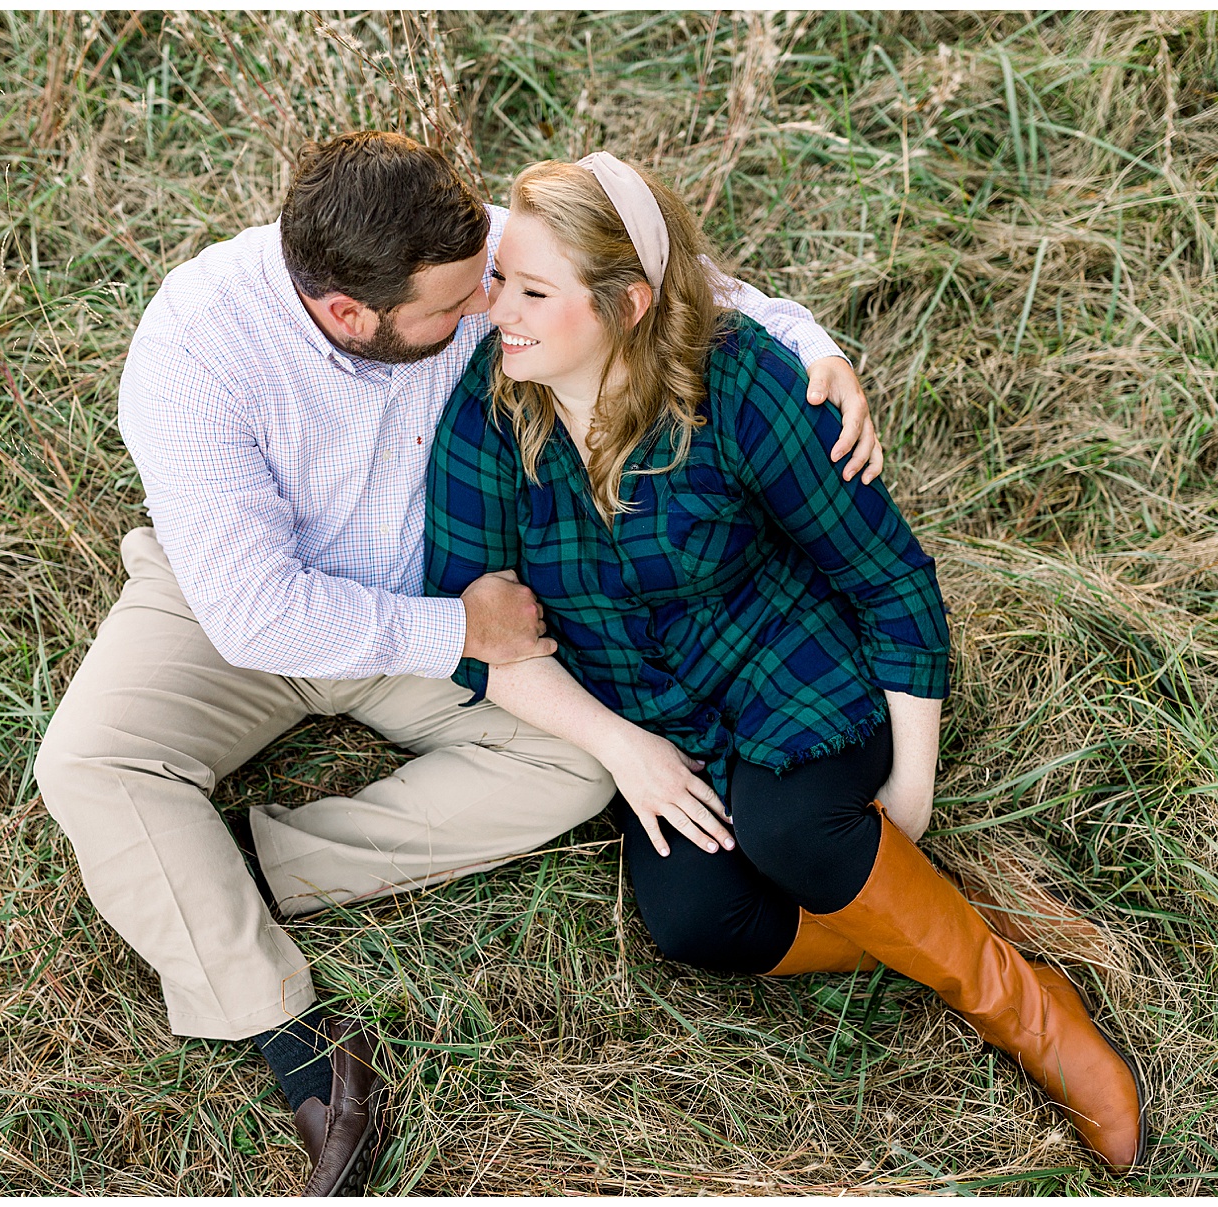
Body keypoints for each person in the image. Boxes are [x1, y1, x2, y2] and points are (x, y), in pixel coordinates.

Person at [34, 131, 884, 1195]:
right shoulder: (198, 346)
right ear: (350, 314)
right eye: (453, 309)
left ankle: (253, 868)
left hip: (432, 594)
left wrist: (808, 343)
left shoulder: (462, 250)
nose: (488, 307)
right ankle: (297, 1046)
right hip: (243, 607)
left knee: (576, 768)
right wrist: (463, 632)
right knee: (87, 763)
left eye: (490, 278)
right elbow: (256, 614)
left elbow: (663, 289)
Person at [423, 153, 1149, 1172]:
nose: (499, 311)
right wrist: (622, 748)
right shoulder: (491, 414)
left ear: (626, 304)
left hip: (781, 662)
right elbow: (488, 638)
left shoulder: (743, 380)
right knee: (694, 918)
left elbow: (889, 578)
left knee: (791, 825)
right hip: (651, 715)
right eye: (503, 280)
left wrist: (912, 784)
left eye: (534, 291)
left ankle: (1026, 1010)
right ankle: (926, 911)